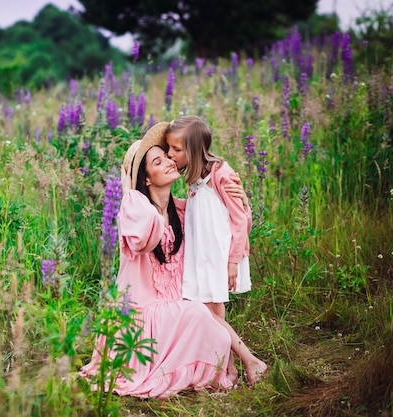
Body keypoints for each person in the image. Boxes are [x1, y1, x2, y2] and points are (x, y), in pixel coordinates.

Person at [80, 122, 256, 398]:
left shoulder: (182, 212)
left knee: (205, 310)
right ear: (146, 178)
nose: (170, 161)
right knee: (199, 312)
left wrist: (239, 198)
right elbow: (143, 237)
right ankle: (234, 364)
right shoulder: (134, 211)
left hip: (174, 310)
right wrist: (128, 192)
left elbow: (224, 216)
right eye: (158, 161)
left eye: (170, 155)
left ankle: (237, 364)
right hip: (141, 315)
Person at [166, 115, 267, 386]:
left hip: (219, 256)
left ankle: (250, 361)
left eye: (176, 149)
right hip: (201, 254)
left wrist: (233, 261)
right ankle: (229, 371)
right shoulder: (194, 178)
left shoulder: (221, 173)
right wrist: (165, 199)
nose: (170, 154)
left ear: (194, 148)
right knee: (213, 315)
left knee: (211, 314)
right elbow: (198, 212)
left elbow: (240, 218)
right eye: (169, 148)